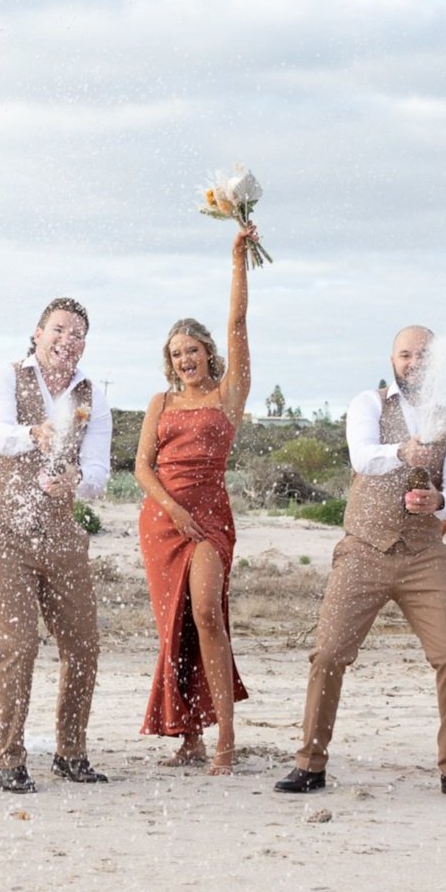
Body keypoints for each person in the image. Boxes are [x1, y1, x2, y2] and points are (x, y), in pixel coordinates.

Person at [276, 326, 446, 801]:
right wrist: (402, 451)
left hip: (425, 555)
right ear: (392, 360)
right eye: (405, 354)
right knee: (327, 655)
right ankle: (310, 763)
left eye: (422, 355)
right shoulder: (369, 404)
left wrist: (439, 501)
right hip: (363, 550)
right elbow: (363, 457)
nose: (413, 362)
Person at [0, 297, 113, 793]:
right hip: (1, 531)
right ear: (37, 334)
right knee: (16, 645)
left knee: (84, 646)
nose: (66, 340)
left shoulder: (92, 396)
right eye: (58, 330)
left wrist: (76, 477)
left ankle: (71, 752)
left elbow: (98, 474)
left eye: (76, 334)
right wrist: (36, 433)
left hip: (61, 535)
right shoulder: (6, 377)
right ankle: (9, 757)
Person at [136, 227, 255, 775]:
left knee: (207, 613)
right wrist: (172, 510)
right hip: (162, 521)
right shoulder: (160, 401)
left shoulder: (228, 396)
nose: (186, 358)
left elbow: (238, 325)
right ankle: (189, 740)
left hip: (208, 519)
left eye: (193, 349)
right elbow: (142, 467)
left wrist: (237, 263)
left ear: (209, 352)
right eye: (177, 353)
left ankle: (226, 737)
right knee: (174, 628)